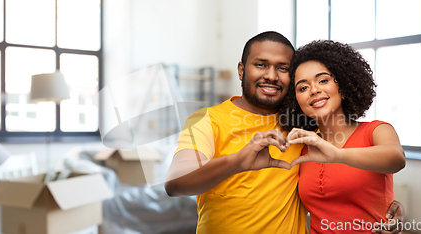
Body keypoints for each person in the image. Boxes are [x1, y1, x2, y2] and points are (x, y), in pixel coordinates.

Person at [165, 32, 403, 234]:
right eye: (261, 64)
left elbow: (360, 168)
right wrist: (238, 161)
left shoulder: (303, 124)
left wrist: (386, 208)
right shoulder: (204, 120)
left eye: (282, 68)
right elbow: (175, 184)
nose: (271, 75)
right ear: (241, 69)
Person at [279, 40, 406, 233]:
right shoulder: (302, 149)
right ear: (296, 102)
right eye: (303, 88)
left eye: (323, 80)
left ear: (344, 87)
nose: (313, 90)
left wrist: (338, 155)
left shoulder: (376, 131)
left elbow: (396, 159)